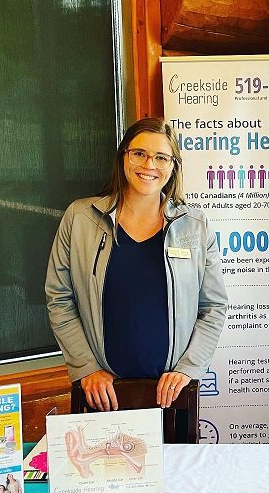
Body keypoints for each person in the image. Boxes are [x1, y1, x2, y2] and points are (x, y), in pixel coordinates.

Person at [46, 118, 227, 411]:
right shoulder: (80, 218)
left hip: (171, 396)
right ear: (124, 157)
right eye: (139, 153)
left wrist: (188, 369)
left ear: (173, 166)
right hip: (102, 393)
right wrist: (86, 367)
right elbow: (59, 299)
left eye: (161, 157)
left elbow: (214, 307)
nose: (149, 165)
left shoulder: (195, 226)